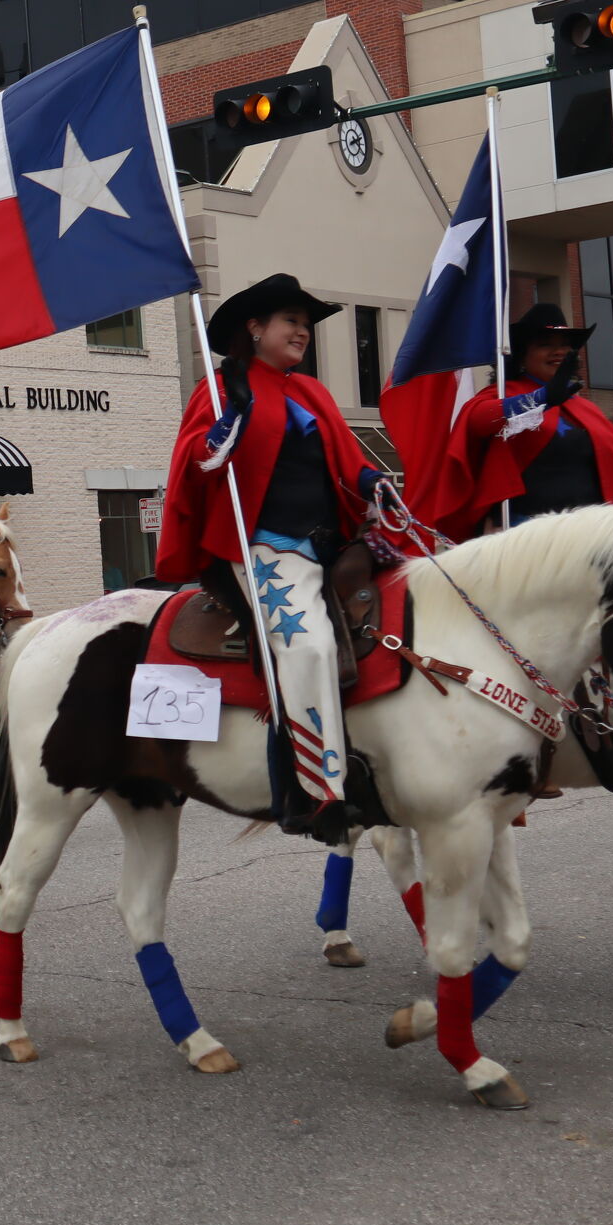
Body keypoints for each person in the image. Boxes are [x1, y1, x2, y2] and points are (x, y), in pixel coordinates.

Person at [158, 274, 388, 843]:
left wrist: (376, 482)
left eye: (307, 324)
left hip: (332, 544)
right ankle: (317, 791)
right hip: (266, 547)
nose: (303, 332)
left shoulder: (312, 393)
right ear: (255, 328)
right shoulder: (219, 388)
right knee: (308, 646)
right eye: (291, 320)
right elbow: (195, 462)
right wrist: (228, 421)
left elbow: (347, 461)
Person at [432, 303, 613, 539]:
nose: (558, 351)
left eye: (565, 344)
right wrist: (542, 398)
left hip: (591, 535)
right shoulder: (501, 396)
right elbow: (477, 421)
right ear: (522, 356)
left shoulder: (587, 411)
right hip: (526, 534)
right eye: (546, 344)